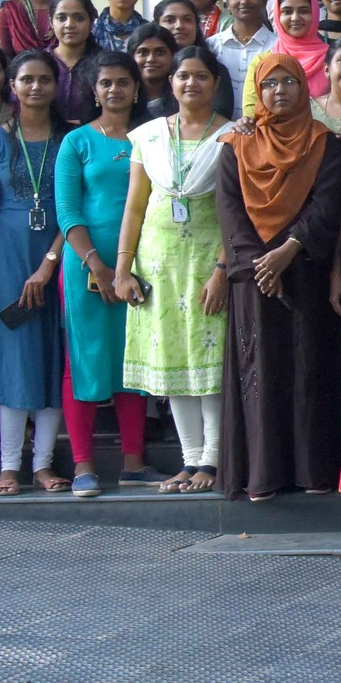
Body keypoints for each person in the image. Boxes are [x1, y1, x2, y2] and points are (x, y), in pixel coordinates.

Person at [215, 54, 341, 501]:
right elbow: (230, 214)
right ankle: (264, 474)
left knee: (308, 369)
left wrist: (287, 252)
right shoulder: (234, 146)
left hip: (306, 275)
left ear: (303, 87)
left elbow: (327, 204)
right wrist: (261, 265)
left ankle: (313, 471)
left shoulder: (322, 141)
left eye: (288, 82)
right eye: (269, 84)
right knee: (262, 370)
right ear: (258, 90)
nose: (279, 92)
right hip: (255, 280)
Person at [113, 46, 232, 494]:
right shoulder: (147, 136)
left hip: (208, 260)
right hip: (158, 262)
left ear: (215, 84)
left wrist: (223, 268)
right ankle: (188, 459)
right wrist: (123, 268)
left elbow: (236, 211)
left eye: (201, 76)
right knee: (174, 360)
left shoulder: (233, 135)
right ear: (171, 82)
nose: (191, 84)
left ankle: (214, 461)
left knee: (209, 359)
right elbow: (135, 204)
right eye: (183, 76)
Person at [0, 51, 72, 496]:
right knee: (13, 358)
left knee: (52, 355)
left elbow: (75, 210)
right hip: (7, 258)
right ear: (11, 85)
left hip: (60, 252)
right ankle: (9, 465)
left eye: (44, 79)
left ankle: (44, 465)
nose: (35, 87)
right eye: (26, 79)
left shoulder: (71, 137)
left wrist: (50, 263)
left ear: (56, 85)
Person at [52, 52, 145, 496]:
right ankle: (83, 466)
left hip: (143, 266)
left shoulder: (151, 137)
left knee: (134, 358)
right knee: (85, 359)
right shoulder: (77, 143)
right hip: (87, 264)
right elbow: (67, 211)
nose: (115, 90)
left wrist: (125, 269)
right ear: (94, 91)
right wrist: (99, 266)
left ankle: (134, 462)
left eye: (123, 82)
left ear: (137, 87)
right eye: (106, 82)